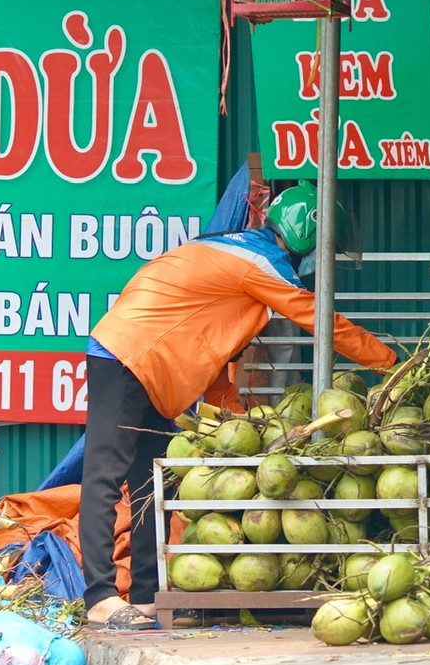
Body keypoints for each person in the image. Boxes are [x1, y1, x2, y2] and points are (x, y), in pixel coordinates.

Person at [78, 182, 396, 630]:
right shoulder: (260, 263)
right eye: (325, 248)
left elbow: (216, 345)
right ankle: (100, 598)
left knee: (151, 481)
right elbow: (323, 321)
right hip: (128, 356)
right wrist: (391, 364)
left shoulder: (239, 249)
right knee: (104, 475)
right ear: (307, 236)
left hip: (151, 363)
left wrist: (230, 420)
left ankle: (149, 595)